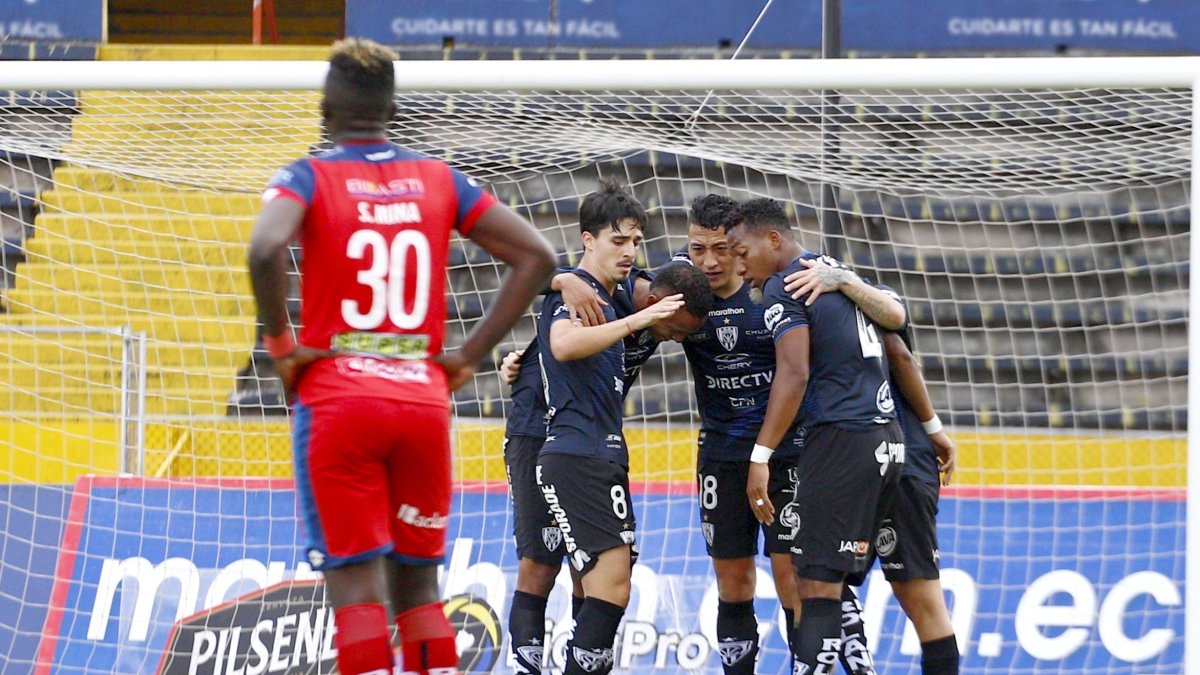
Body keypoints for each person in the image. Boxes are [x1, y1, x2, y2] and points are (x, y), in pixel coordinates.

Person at [247, 38, 556, 675]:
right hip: (420, 397)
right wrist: (467, 356)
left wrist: (281, 347)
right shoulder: (439, 179)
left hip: (338, 394)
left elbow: (264, 248)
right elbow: (538, 256)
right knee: (420, 587)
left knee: (357, 587)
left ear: (325, 111)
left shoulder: (308, 176)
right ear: (392, 110)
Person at [685, 195, 906, 674]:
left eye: (724, 249)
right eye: (697, 249)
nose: (712, 261)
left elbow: (884, 329)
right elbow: (622, 296)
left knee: (801, 580)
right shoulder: (686, 292)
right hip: (722, 455)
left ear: (744, 245)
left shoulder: (790, 284)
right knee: (733, 583)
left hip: (789, 453)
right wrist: (562, 283)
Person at [534, 180, 711, 675]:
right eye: (618, 240)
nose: (630, 250)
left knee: (598, 588)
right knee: (612, 587)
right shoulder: (580, 291)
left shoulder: (611, 298)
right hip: (577, 454)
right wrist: (637, 321)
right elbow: (564, 344)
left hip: (600, 453)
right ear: (588, 240)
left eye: (635, 240)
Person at [787, 258, 961, 674]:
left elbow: (896, 354)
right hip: (909, 458)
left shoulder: (810, 309)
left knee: (819, 583)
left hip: (855, 457)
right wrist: (934, 428)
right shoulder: (877, 301)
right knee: (923, 603)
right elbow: (901, 353)